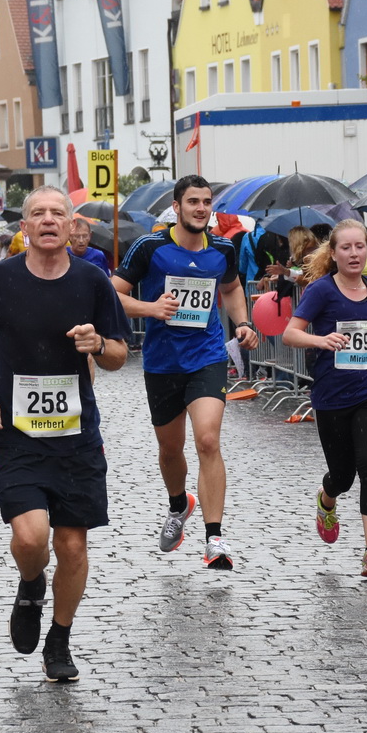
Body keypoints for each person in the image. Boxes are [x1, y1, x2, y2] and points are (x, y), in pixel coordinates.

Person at [0, 186, 130, 681]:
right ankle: (31, 583)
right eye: (39, 214)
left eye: (59, 213)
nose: (49, 221)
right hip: (16, 431)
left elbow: (119, 355)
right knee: (31, 536)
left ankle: (60, 637)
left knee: (73, 546)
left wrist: (98, 342)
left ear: (73, 224)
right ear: (25, 226)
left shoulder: (93, 280)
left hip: (77, 434)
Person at [113, 174, 260, 570]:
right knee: (170, 448)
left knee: (208, 439)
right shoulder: (151, 247)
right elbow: (112, 293)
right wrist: (151, 309)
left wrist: (243, 323)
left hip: (207, 356)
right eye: (192, 201)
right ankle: (179, 505)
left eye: (206, 201)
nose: (200, 208)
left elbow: (229, 288)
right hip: (162, 362)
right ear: (176, 207)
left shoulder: (223, 249)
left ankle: (215, 539)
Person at [281, 219, 367, 576]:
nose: (354, 254)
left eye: (360, 246)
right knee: (342, 476)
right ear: (334, 253)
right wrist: (321, 341)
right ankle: (327, 500)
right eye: (346, 248)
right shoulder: (321, 291)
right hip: (331, 396)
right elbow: (291, 334)